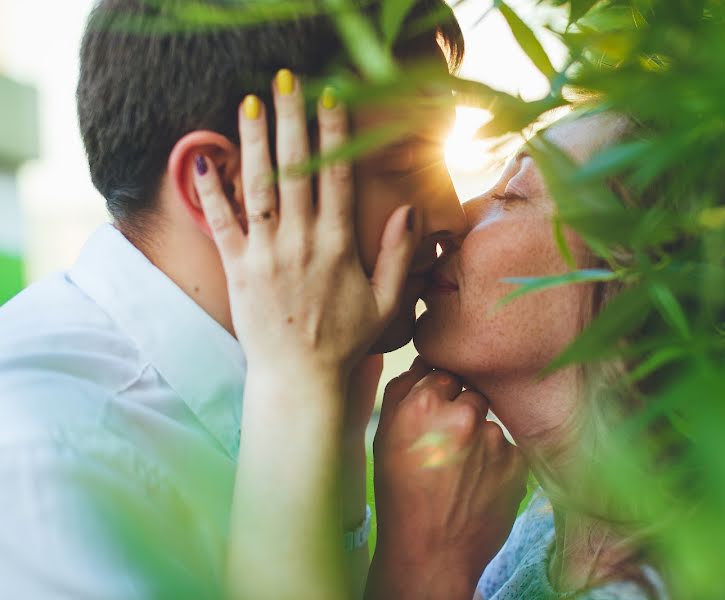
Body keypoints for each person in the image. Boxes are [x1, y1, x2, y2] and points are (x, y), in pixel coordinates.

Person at [0, 1, 526, 597]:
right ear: (223, 184)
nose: (451, 214)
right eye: (403, 161)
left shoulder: (311, 387)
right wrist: (421, 571)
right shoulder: (44, 474)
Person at [373, 112, 670, 600]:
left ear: (633, 287)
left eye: (513, 194)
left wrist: (425, 569)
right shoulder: (540, 532)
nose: (458, 214)